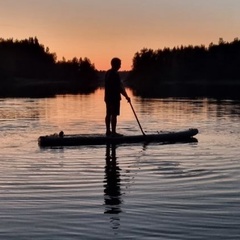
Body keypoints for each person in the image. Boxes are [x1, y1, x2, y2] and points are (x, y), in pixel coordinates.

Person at [104, 58, 130, 136]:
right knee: (114, 114)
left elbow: (119, 86)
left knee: (108, 114)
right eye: (119, 64)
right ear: (115, 64)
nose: (120, 66)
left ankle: (108, 131)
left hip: (108, 97)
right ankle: (113, 132)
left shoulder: (108, 73)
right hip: (113, 98)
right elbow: (119, 88)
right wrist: (126, 96)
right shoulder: (115, 74)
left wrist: (126, 96)